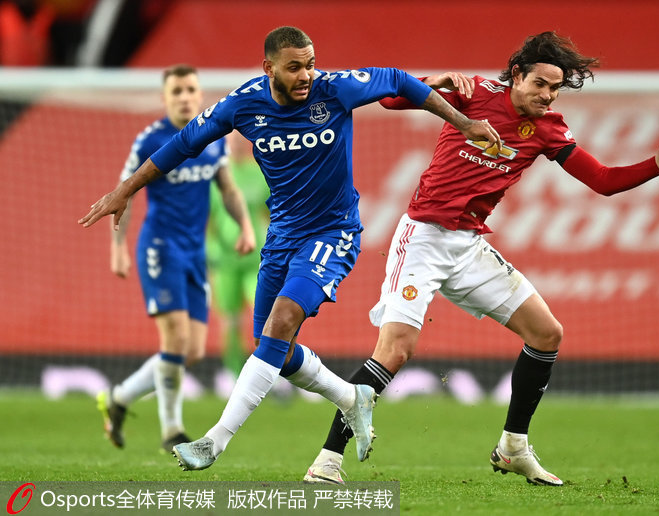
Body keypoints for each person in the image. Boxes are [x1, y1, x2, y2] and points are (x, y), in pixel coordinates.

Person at [79, 26, 502, 471]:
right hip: (281, 237)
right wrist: (125, 189)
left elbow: (396, 79)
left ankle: (213, 442)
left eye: (310, 64)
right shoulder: (243, 104)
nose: (306, 75)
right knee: (273, 349)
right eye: (295, 67)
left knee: (281, 322)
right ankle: (351, 397)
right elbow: (183, 144)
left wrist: (464, 123)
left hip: (333, 233)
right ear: (270, 69)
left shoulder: (334, 90)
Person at [303, 31, 659, 485]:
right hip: (423, 239)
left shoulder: (549, 128)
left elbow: (603, 181)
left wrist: (656, 166)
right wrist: (435, 82)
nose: (547, 95)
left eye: (555, 88)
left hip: (469, 247)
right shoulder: (474, 92)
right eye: (540, 84)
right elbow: (391, 100)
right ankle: (326, 462)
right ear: (517, 75)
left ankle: (513, 447)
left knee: (547, 333)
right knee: (396, 350)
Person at [95, 64, 257, 452]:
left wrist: (246, 227)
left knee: (193, 351)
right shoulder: (151, 140)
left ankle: (119, 397)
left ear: (199, 95)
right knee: (176, 338)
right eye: (177, 91)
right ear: (164, 98)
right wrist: (117, 248)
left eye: (190, 90)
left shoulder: (213, 138)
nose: (184, 97)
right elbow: (123, 193)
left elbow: (228, 189)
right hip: (160, 248)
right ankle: (172, 430)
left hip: (195, 253)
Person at [206, 131, 270, 381]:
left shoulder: (259, 173)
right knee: (230, 320)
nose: (237, 144)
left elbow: (269, 214)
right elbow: (209, 219)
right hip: (224, 261)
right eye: (232, 140)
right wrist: (211, 253)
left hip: (255, 259)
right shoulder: (216, 176)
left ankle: (270, 372)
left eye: (241, 139)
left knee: (265, 314)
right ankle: (233, 373)